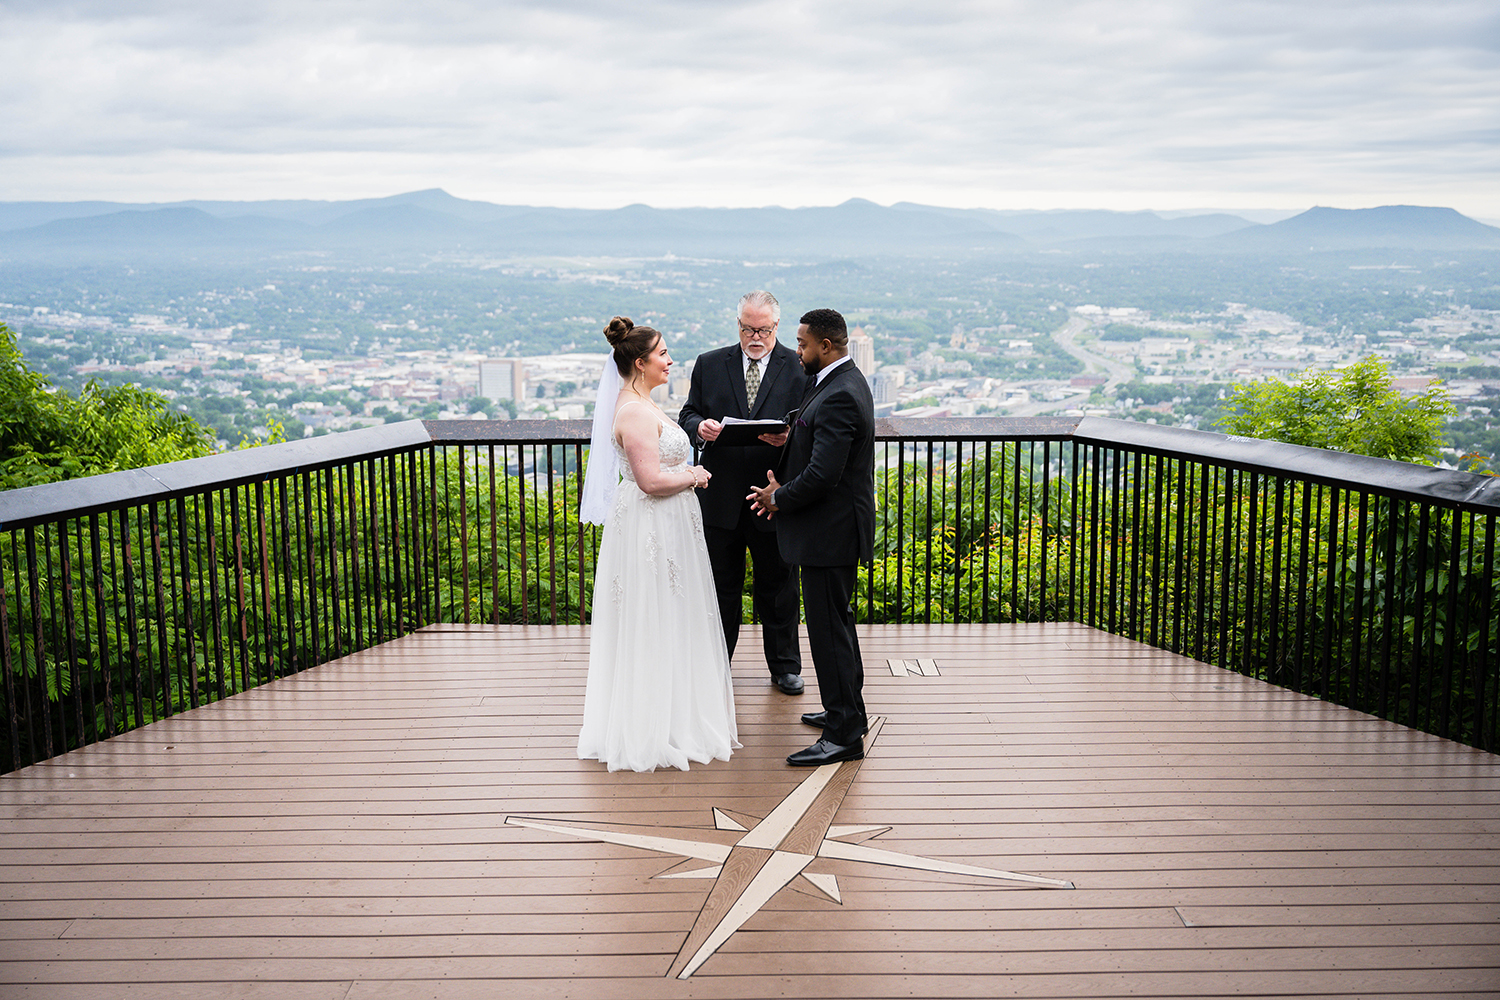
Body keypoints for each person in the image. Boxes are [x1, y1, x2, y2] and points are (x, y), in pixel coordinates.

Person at [577, 317, 739, 772]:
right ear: (639, 362)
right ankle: (652, 726)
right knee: (653, 614)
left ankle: (674, 714)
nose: (670, 361)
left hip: (668, 525)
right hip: (651, 526)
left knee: (672, 614)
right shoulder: (632, 411)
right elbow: (648, 480)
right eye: (663, 354)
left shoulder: (642, 402)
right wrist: (695, 475)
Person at [748, 308, 876, 766]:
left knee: (828, 634)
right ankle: (847, 712)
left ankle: (843, 735)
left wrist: (778, 498)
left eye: (802, 343)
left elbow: (824, 474)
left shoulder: (840, 392)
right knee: (834, 628)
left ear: (825, 345)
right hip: (830, 531)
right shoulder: (840, 380)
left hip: (830, 534)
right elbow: (817, 438)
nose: (797, 350)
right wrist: (791, 442)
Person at [678, 291, 809, 696]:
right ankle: (717, 665)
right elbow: (688, 413)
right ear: (738, 325)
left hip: (773, 494)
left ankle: (785, 667)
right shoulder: (710, 363)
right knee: (720, 588)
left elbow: (810, 425)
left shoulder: (799, 367)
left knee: (780, 587)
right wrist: (699, 428)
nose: (755, 337)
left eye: (764, 330)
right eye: (748, 329)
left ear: (776, 328)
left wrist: (789, 436)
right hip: (721, 498)